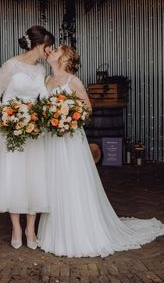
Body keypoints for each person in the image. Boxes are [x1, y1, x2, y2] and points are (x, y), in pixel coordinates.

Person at [37, 45, 164, 258]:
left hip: (69, 140)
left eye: (57, 50)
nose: (52, 52)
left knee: (72, 181)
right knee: (54, 181)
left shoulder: (73, 81)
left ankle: (79, 233)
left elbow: (86, 110)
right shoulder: (46, 82)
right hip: (51, 140)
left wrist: (67, 120)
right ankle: (55, 232)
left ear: (65, 58)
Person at [0, 25, 55, 250]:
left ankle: (31, 228)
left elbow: (42, 98)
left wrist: (51, 110)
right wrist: (11, 115)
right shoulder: (11, 66)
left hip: (34, 130)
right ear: (39, 45)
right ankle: (16, 227)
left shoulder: (41, 71)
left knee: (35, 176)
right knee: (14, 175)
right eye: (48, 47)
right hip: (11, 128)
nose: (50, 52)